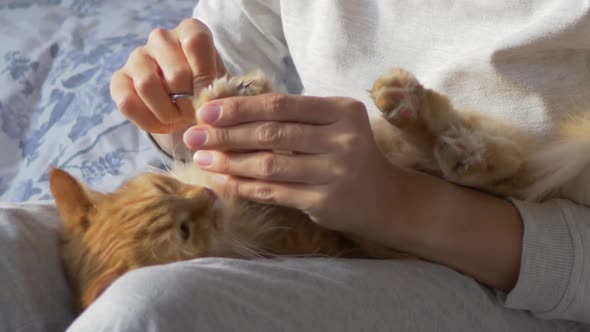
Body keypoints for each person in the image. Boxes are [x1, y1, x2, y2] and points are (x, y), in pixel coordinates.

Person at [68, 1, 590, 330]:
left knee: (149, 311)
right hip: (311, 222)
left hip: (514, 281)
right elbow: (216, 65)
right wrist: (178, 111)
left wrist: (403, 206)